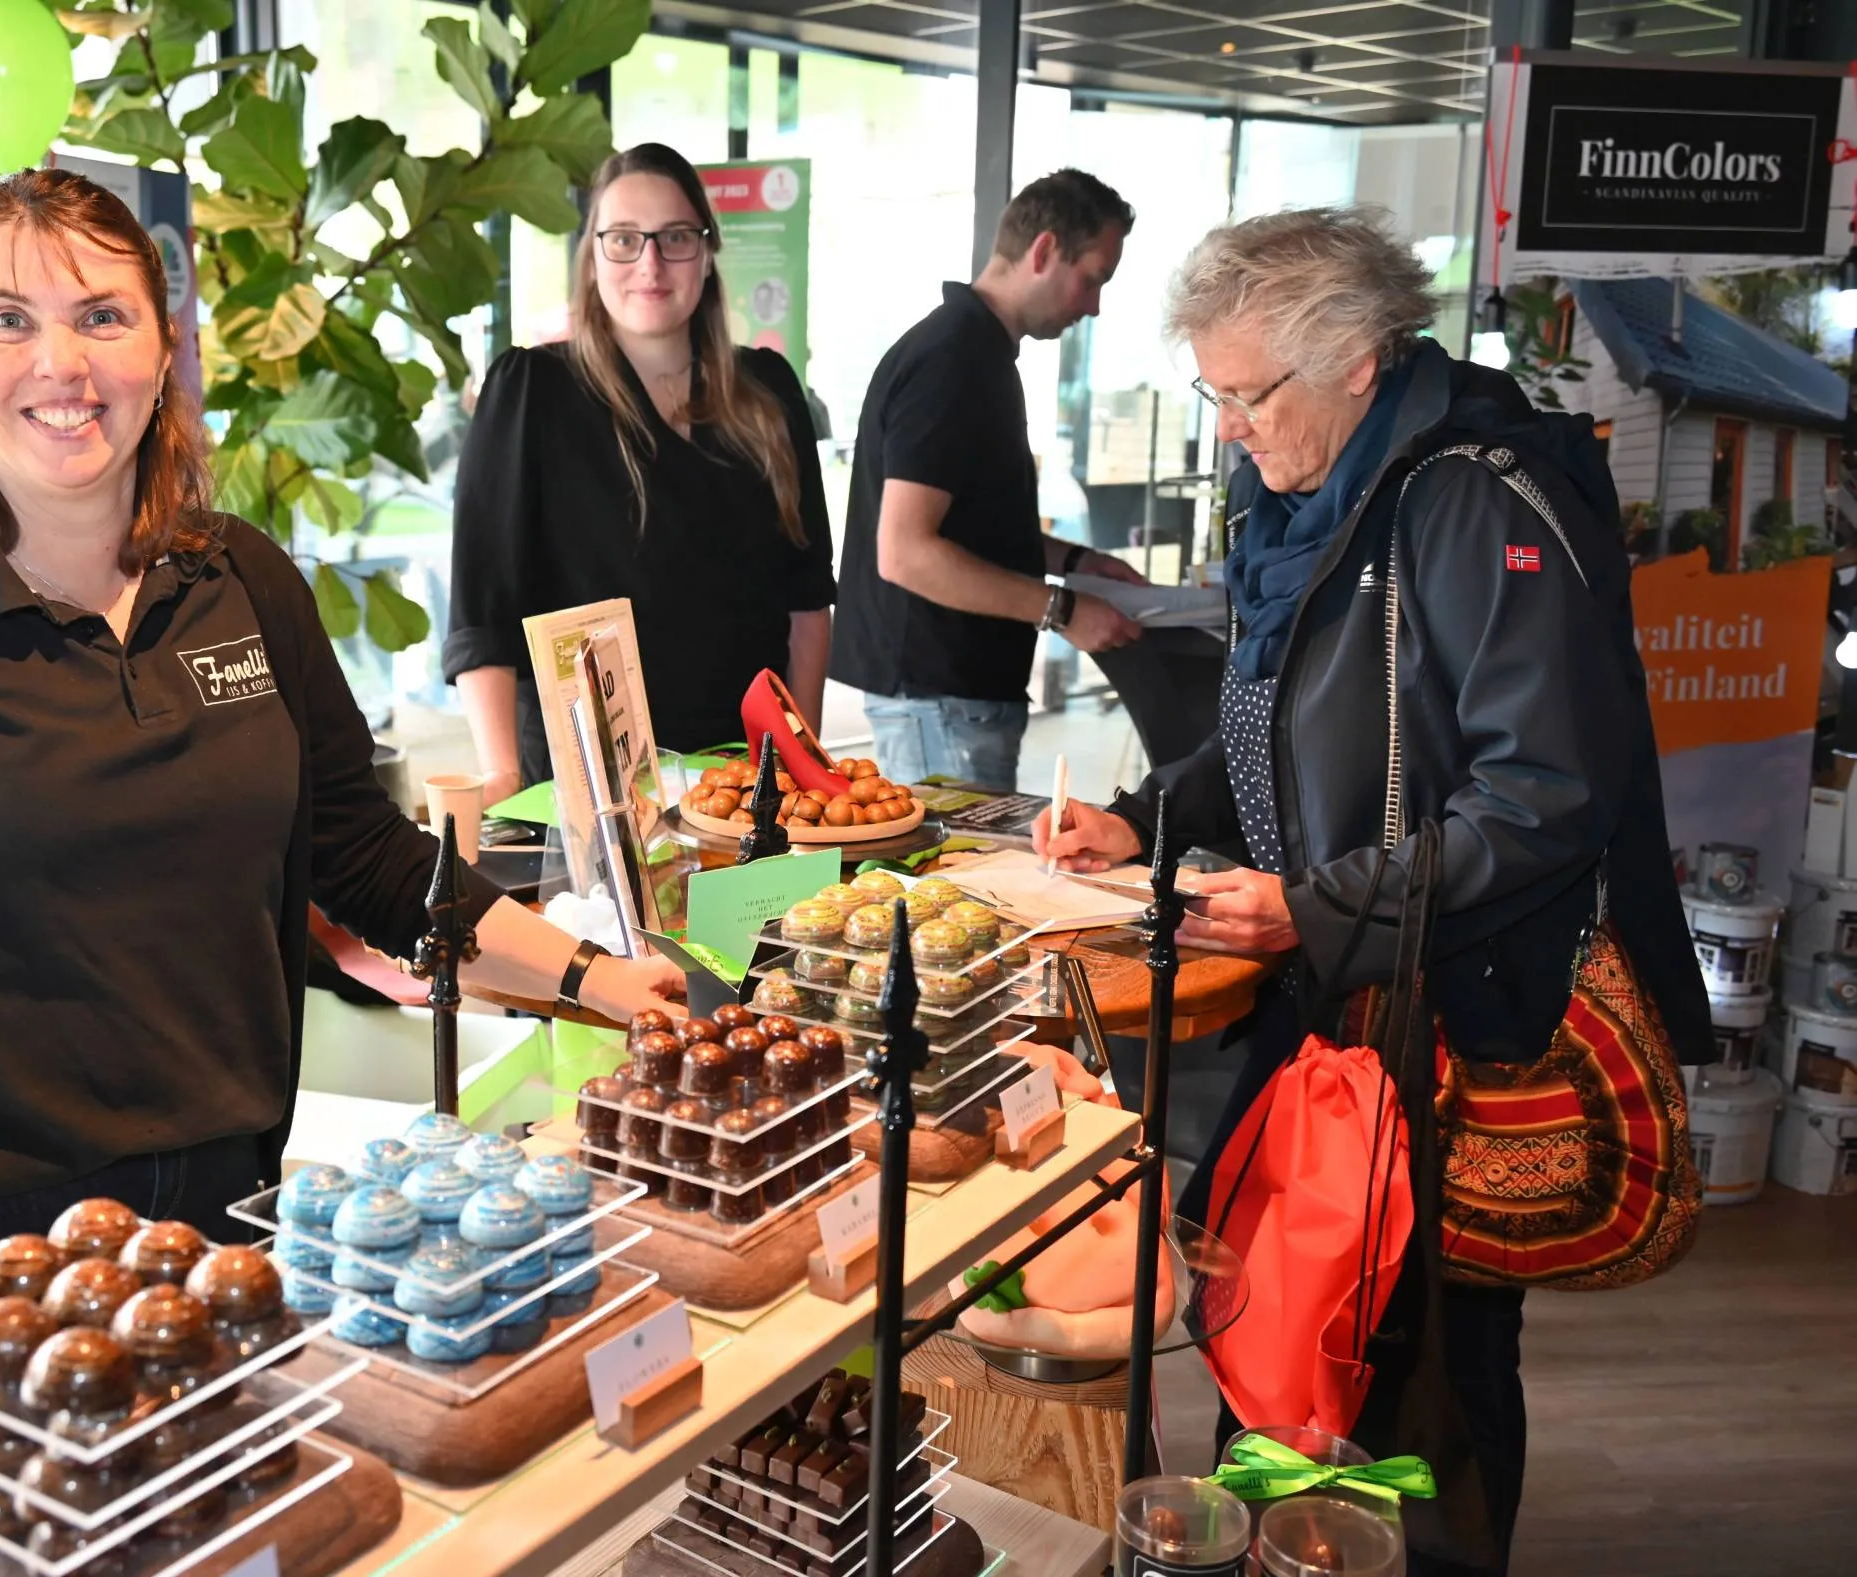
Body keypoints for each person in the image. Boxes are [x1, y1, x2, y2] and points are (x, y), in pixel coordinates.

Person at [0, 169, 683, 1434]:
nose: (62, 359)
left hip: (230, 1227)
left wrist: (597, 978)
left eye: (102, 316)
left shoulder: (240, 580)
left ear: (164, 348)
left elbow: (365, 857)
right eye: (8, 318)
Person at [1033, 208, 1707, 1575]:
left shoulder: (1468, 497)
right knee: (1288, 1310)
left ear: (1353, 360)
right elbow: (1268, 729)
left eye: (1245, 394)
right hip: (1336, 992)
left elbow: (1544, 799)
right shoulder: (1302, 498)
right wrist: (1134, 819)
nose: (1226, 427)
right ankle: (1282, 1548)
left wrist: (1314, 905)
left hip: (1451, 1009)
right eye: (1210, 392)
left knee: (1426, 1370)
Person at [445, 143, 835, 805]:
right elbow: (483, 610)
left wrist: (804, 768)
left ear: (707, 254)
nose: (650, 263)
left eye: (675, 237)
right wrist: (502, 777)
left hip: (744, 785)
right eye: (624, 239)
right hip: (593, 795)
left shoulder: (767, 392)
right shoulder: (531, 392)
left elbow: (806, 600)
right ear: (592, 258)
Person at [829, 167, 1146, 790]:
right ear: (1045, 250)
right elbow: (906, 553)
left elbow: (970, 531)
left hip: (948, 699)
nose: (1094, 305)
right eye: (1093, 279)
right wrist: (1063, 609)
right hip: (939, 700)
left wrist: (1076, 560)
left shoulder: (974, 353)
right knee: (948, 888)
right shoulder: (956, 359)